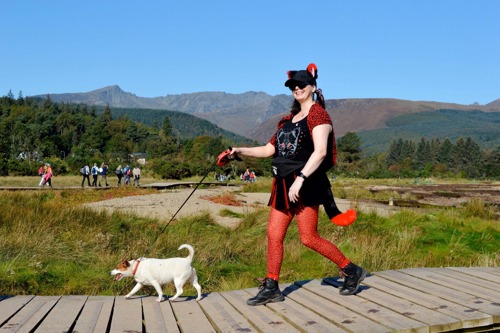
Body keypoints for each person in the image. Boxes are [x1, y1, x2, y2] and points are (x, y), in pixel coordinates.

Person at [229, 63, 366, 306]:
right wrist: (240, 150)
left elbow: (321, 152)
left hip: (306, 184)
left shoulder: (319, 115)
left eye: (302, 84)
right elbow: (269, 149)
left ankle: (351, 270)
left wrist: (301, 179)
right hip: (283, 184)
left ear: (313, 87)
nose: (297, 88)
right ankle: (272, 286)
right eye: (293, 85)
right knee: (273, 234)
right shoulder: (287, 120)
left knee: (308, 238)